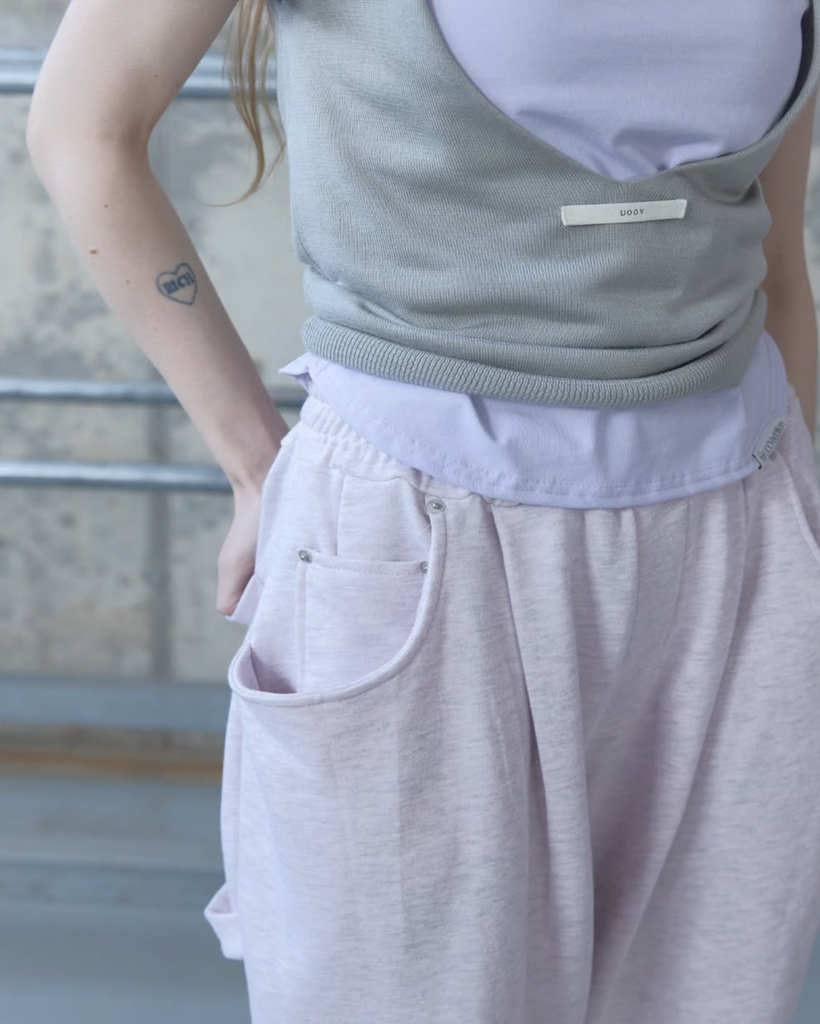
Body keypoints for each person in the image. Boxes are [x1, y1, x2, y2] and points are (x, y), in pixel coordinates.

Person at [26, 1, 820, 1022]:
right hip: (421, 535)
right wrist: (255, 465)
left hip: (742, 536)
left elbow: (775, 257)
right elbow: (82, 125)